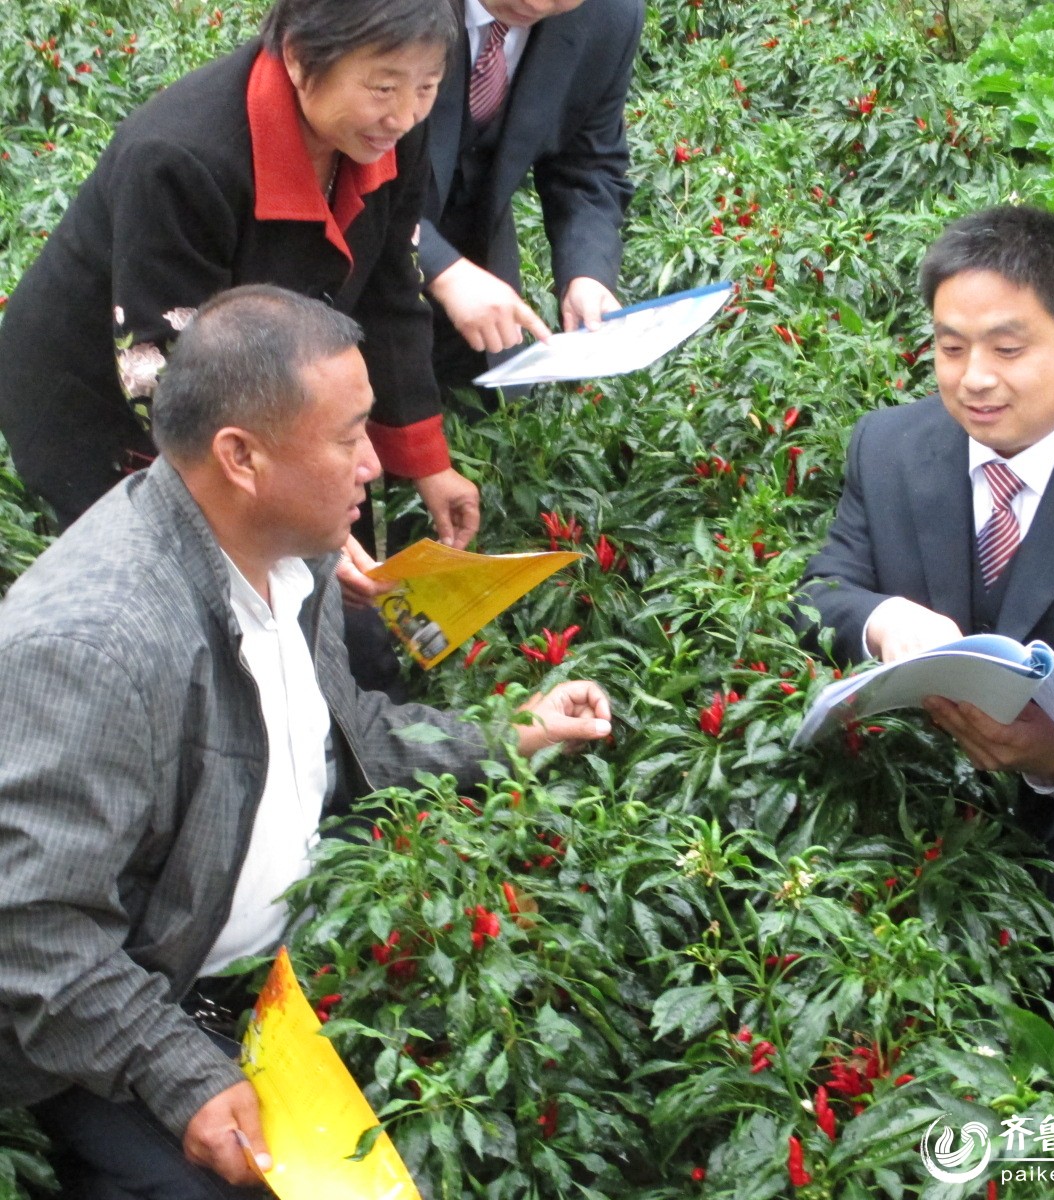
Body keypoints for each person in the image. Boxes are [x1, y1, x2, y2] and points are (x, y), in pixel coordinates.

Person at [0, 286, 612, 1199]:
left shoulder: (295, 552)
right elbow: (33, 924)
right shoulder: (95, 645)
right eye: (348, 436)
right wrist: (184, 1075)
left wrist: (509, 732)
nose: (374, 462)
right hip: (133, 1013)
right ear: (240, 457)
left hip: (268, 971)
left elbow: (344, 735)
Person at [795, 205, 1054, 1062]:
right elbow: (821, 591)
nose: (974, 378)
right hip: (915, 780)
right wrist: (881, 619)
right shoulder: (890, 446)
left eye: (1007, 350)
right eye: (949, 348)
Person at [0, 0, 480, 551]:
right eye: (383, 88)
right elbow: (168, 368)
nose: (404, 116)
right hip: (107, 398)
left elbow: (389, 285)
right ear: (300, 59)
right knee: (185, 592)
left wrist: (426, 459)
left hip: (266, 381)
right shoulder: (181, 159)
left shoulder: (388, 132)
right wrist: (294, 504)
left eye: (427, 87)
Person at [420, 0, 645, 393]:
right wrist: (439, 266)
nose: (537, 3)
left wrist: (586, 271)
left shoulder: (610, 14)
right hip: (343, 262)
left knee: (485, 418)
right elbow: (332, 160)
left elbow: (588, 162)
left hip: (481, 272)